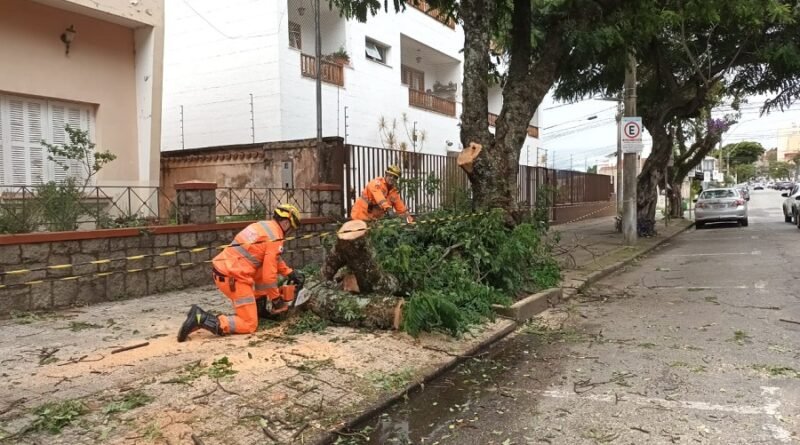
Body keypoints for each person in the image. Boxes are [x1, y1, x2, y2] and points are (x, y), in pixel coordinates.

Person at [177, 204, 305, 342]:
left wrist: (289, 272)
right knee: (249, 324)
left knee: (261, 268)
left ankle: (259, 308)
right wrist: (277, 300)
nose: (290, 232)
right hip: (234, 277)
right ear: (286, 223)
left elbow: (272, 258)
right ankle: (202, 318)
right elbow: (269, 277)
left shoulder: (264, 227)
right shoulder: (276, 237)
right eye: (292, 228)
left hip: (225, 269)